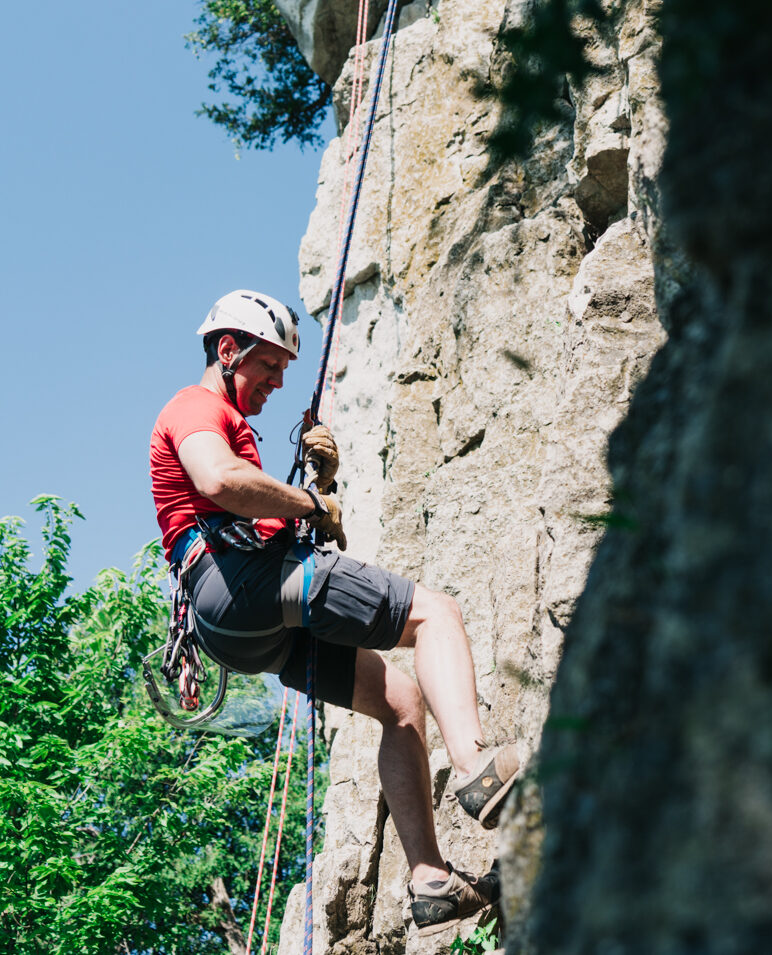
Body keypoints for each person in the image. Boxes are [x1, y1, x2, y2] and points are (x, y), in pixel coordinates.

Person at [149, 290, 520, 937]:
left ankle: (430, 878)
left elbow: (281, 521)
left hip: (241, 627)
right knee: (434, 613)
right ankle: (473, 766)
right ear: (227, 349)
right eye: (269, 364)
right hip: (241, 584)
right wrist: (308, 503)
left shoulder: (230, 426)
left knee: (401, 704)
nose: (278, 380)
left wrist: (320, 488)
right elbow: (218, 481)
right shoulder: (195, 406)